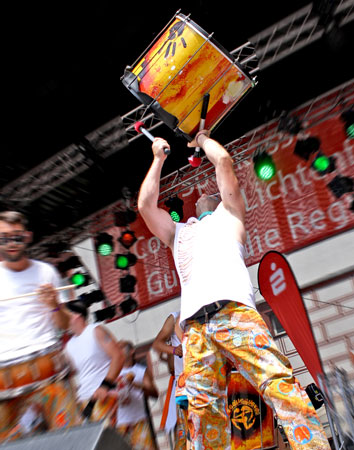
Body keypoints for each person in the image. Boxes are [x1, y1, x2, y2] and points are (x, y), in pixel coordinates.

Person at [137, 131, 331, 449]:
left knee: (277, 384)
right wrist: (158, 159)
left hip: (233, 311)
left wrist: (202, 139)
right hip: (196, 327)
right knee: (203, 414)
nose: (202, 195)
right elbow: (145, 204)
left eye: (211, 194)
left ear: (218, 203)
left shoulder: (229, 217)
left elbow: (224, 161)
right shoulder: (179, 232)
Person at [0, 211, 81, 442]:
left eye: (16, 237)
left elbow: (65, 325)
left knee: (69, 438)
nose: (11, 244)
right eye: (4, 238)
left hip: (48, 365)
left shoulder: (45, 272)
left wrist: (55, 305)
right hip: (4, 372)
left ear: (27, 236)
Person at [65, 300, 125, 425]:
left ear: (76, 315)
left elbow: (118, 356)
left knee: (107, 439)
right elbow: (71, 373)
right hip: (84, 400)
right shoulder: (69, 345)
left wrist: (105, 386)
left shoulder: (96, 331)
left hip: (104, 396)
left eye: (65, 313)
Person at [153, 311, 188, 449]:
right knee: (185, 433)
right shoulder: (175, 316)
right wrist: (174, 350)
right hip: (184, 383)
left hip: (206, 378)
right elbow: (157, 344)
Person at [116, 341, 158, 450]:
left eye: (121, 347)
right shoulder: (113, 372)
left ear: (131, 351)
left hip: (139, 420)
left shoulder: (141, 371)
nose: (117, 350)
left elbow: (155, 393)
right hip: (120, 423)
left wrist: (136, 385)